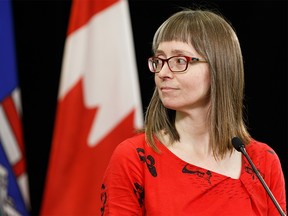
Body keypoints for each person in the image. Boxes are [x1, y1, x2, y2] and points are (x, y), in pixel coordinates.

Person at [100, 8, 287, 215]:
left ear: (219, 68)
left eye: (180, 61)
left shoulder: (263, 161)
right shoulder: (133, 158)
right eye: (159, 60)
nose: (162, 73)